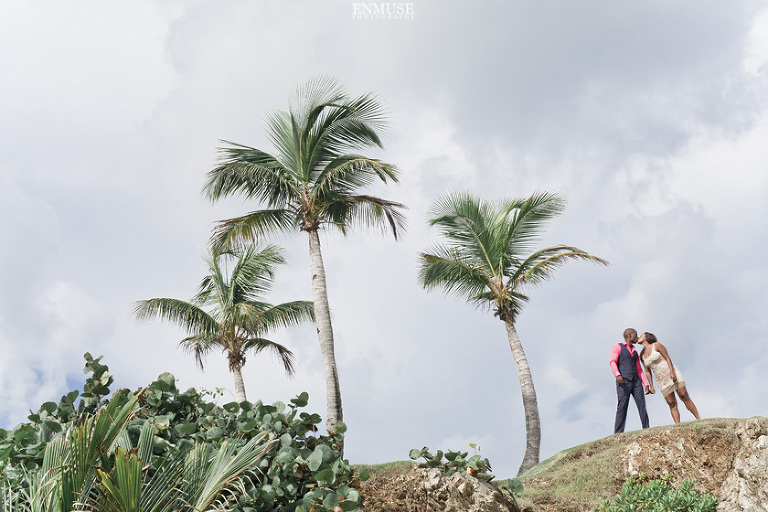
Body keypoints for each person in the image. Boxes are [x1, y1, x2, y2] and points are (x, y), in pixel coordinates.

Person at [637, 332, 700, 424]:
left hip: (671, 372)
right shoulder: (641, 355)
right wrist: (651, 385)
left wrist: (672, 372)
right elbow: (647, 371)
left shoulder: (657, 345)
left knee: (684, 395)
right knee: (671, 403)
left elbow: (667, 358)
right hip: (661, 379)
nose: (639, 337)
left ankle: (698, 419)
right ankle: (677, 425)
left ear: (647, 337)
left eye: (641, 335)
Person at [609, 328, 650, 433]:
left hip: (636, 382)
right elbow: (612, 362)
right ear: (630, 335)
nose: (637, 337)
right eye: (636, 335)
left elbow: (639, 369)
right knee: (622, 406)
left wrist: (645, 383)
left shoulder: (635, 352)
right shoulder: (617, 347)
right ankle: (618, 433)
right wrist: (617, 375)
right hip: (623, 381)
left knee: (642, 405)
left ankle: (646, 429)